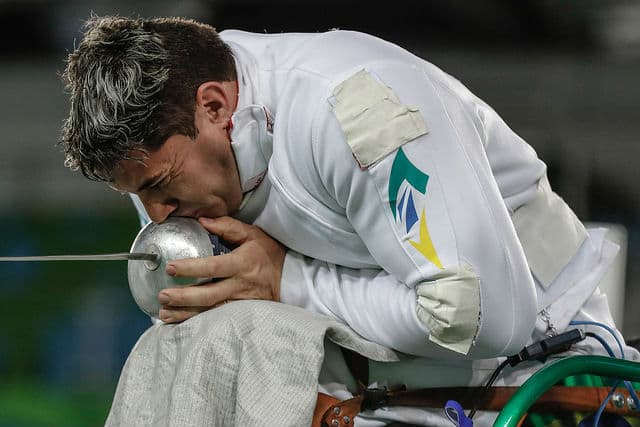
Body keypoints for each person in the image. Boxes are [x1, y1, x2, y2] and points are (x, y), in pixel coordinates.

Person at [61, 15, 637, 426]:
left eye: (161, 188)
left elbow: (482, 318)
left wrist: (288, 280)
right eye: (138, 195)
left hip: (536, 355)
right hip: (373, 373)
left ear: (214, 107)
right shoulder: (175, 131)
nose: (158, 218)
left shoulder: (360, 107)